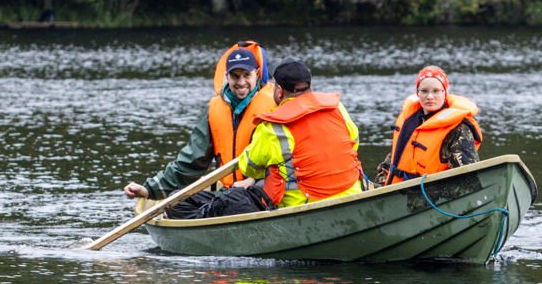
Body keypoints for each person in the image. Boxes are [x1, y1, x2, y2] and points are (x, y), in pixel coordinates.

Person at [122, 41, 277, 218]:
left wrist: (254, 180)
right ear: (227, 76)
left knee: (231, 202)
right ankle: (208, 223)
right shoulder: (215, 109)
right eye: (235, 76)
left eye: (246, 75)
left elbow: (286, 159)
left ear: (256, 74)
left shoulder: (273, 105)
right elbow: (190, 161)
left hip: (261, 193)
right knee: (176, 203)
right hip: (228, 194)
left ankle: (213, 217)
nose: (241, 82)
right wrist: (149, 189)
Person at [231, 58, 365, 209]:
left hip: (305, 206)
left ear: (279, 91)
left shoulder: (271, 127)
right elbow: (354, 142)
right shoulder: (337, 108)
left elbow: (249, 167)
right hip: (353, 195)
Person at [375, 65, 481, 186]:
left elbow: (467, 179)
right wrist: (379, 188)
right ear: (417, 93)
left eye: (436, 91)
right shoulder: (409, 122)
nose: (430, 96)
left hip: (432, 197)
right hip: (399, 194)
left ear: (444, 92)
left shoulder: (459, 129)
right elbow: (391, 161)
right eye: (424, 91)